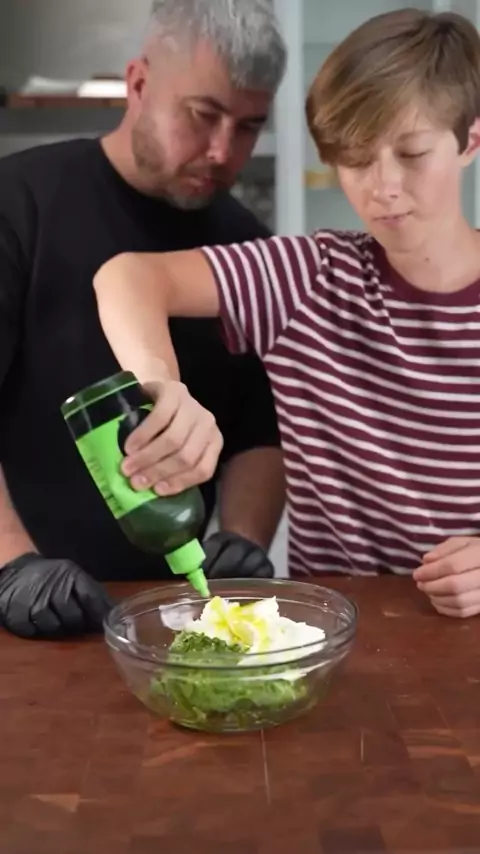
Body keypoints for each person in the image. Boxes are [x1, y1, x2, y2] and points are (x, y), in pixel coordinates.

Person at [94, 8, 480, 620]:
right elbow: (126, 277)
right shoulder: (311, 278)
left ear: (469, 143)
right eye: (356, 159)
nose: (383, 187)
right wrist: (162, 387)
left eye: (412, 153)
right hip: (334, 639)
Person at [0, 0, 288, 640]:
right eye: (203, 115)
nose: (222, 150)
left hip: (170, 616)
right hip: (17, 617)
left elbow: (258, 429)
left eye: (248, 127)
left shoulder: (244, 244)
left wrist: (242, 540)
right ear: (138, 83)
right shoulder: (19, 203)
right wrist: (12, 567)